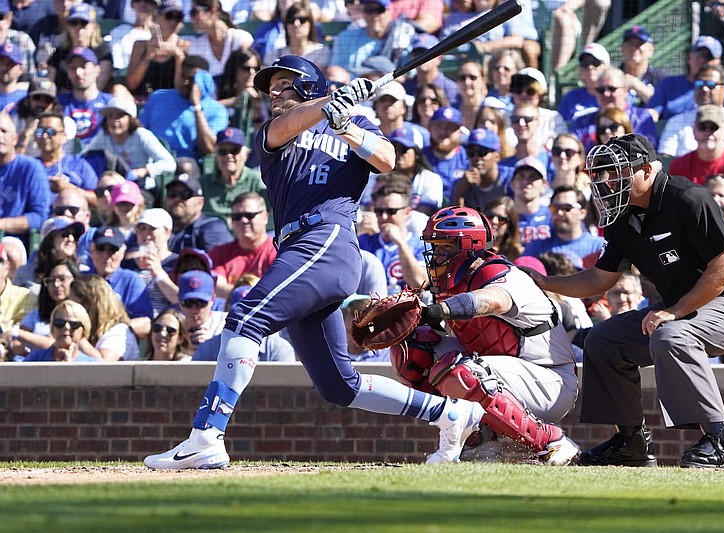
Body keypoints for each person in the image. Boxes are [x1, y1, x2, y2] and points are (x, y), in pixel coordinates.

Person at [144, 56, 500, 470]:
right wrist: (329, 103)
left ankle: (206, 436)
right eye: (270, 88)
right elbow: (284, 127)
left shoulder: (353, 122)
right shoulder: (274, 133)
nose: (273, 93)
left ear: (309, 86)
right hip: (298, 248)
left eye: (284, 84)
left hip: (328, 238)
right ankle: (451, 414)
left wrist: (345, 121)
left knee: (244, 319)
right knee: (338, 385)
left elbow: (386, 159)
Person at [533, 133, 724, 468]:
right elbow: (600, 279)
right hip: (687, 308)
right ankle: (631, 444)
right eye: (600, 173)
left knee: (671, 335)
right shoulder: (620, 217)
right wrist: (545, 282)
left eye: (616, 172)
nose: (605, 182)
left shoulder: (688, 197)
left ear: (646, 170)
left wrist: (673, 312)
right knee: (603, 340)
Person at [393, 206, 580, 463]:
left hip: (550, 381)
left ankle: (550, 442)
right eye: (435, 246)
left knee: (462, 370)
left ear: (471, 246)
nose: (437, 254)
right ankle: (479, 440)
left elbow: (494, 300)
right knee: (413, 351)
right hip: (505, 375)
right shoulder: (447, 285)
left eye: (446, 246)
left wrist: (439, 310)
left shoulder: (503, 274)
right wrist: (401, 326)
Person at [138, 55, 229, 160]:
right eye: (183, 76)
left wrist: (196, 105)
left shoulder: (217, 110)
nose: (185, 82)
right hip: (150, 157)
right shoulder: (158, 97)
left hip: (185, 161)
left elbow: (209, 148)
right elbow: (140, 131)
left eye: (191, 79)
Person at [658, 65, 724, 158]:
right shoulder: (676, 121)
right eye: (699, 84)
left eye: (710, 84)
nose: (704, 89)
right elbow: (666, 157)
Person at [83, 97, 177, 187]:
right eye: (110, 117)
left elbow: (170, 163)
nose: (114, 121)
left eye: (119, 116)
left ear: (130, 119)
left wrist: (145, 170)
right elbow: (83, 156)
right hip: (113, 187)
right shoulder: (103, 136)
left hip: (141, 187)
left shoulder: (142, 135)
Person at [358, 177, 428, 293]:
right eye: (379, 212)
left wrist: (400, 244)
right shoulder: (364, 241)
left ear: (407, 212)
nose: (384, 217)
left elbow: (419, 283)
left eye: (391, 211)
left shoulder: (421, 245)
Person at [647, 35, 724, 122]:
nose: (702, 60)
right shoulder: (670, 83)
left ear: (718, 62)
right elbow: (652, 113)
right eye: (699, 54)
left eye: (708, 57)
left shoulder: (723, 84)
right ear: (690, 56)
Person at [208, 192, 276, 298]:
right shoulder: (219, 253)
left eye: (250, 215)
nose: (243, 220)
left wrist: (232, 292)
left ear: (265, 217)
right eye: (237, 217)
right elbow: (217, 288)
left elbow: (274, 292)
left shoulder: (278, 252)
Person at [200, 127, 270, 227]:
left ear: (246, 154)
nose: (228, 156)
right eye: (222, 151)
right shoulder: (203, 183)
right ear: (215, 155)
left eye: (234, 151)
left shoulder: (257, 181)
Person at [0, 111, 50, 244]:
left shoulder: (31, 167)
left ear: (15, 139)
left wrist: (2, 224)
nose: (0, 136)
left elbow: (40, 217)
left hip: (13, 241)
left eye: (4, 131)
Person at [126, 0, 191, 100]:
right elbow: (131, 84)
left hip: (171, 101)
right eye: (169, 16)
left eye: (178, 17)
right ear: (157, 16)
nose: (173, 22)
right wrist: (148, 56)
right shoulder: (140, 45)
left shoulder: (184, 46)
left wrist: (178, 56)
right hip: (143, 100)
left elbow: (181, 89)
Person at [329, 0, 416, 76]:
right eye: (369, 10)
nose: (374, 16)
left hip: (389, 91)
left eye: (379, 10)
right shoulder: (345, 38)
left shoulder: (403, 37)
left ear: (390, 11)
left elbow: (409, 76)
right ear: (362, 12)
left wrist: (384, 77)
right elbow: (334, 71)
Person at [522, 185, 604, 264]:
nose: (559, 213)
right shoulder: (536, 248)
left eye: (566, 208)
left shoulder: (598, 247)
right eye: (554, 208)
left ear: (582, 213)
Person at [69, 273, 140, 361]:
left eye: (75, 304)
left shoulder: (118, 332)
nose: (72, 309)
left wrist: (79, 338)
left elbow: (104, 365)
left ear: (90, 303)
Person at [667, 105, 724, 186]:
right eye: (702, 127)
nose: (707, 132)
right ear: (694, 131)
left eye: (713, 127)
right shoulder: (679, 165)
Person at [35, 111, 98, 205]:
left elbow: (97, 201)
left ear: (64, 136)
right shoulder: (30, 166)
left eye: (51, 132)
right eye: (40, 132)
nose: (44, 136)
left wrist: (67, 187)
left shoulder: (79, 165)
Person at [165, 167, 234, 253]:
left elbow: (214, 263)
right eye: (173, 193)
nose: (178, 199)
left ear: (200, 202)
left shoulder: (213, 227)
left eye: (185, 194)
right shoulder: (157, 228)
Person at [47, 4, 113, 93]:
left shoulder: (103, 50)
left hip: (93, 100)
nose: (78, 27)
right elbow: (49, 84)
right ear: (68, 27)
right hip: (63, 102)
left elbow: (99, 85)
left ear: (93, 26)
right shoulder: (59, 53)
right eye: (74, 23)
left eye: (84, 23)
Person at [56, 47, 113, 143]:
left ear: (97, 70)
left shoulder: (110, 103)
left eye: (84, 66)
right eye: (73, 68)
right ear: (68, 73)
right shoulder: (58, 103)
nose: (78, 72)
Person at [185, 0, 253, 77]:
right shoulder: (195, 46)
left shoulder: (241, 39)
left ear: (213, 11)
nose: (190, 17)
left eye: (194, 12)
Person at [451, 128, 514, 210]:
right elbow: (457, 219)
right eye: (471, 153)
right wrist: (459, 192)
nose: (476, 157)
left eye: (482, 152)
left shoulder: (509, 178)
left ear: (497, 156)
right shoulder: (463, 182)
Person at [22, 300, 97, 362]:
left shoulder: (91, 364)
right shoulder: (35, 359)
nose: (66, 327)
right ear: (53, 328)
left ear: (83, 331)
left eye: (74, 324)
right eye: (59, 323)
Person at [262, 2, 329, 68]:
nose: (296, 24)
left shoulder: (321, 51)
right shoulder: (273, 55)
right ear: (286, 25)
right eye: (291, 20)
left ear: (310, 24)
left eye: (302, 19)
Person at [422, 106, 468, 203]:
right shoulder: (420, 157)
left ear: (460, 132)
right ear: (429, 128)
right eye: (438, 126)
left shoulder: (468, 158)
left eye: (450, 127)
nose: (443, 132)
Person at [402, 34, 459, 106]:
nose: (421, 57)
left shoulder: (452, 90)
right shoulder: (404, 88)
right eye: (416, 53)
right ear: (411, 57)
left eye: (427, 54)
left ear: (439, 58)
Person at [620, 25, 669, 108]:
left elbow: (664, 104)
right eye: (629, 44)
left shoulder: (659, 77)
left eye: (639, 44)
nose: (633, 48)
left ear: (651, 50)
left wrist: (635, 84)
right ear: (622, 48)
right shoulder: (614, 75)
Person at [485, 196, 523, 262]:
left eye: (501, 219)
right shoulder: (474, 249)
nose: (494, 221)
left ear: (509, 225)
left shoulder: (518, 253)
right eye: (490, 215)